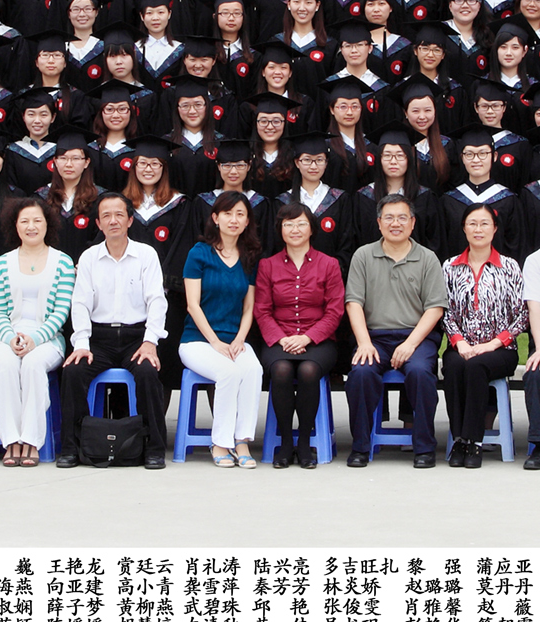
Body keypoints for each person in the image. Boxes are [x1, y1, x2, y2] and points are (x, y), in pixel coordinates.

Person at [56, 193, 173, 469]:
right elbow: (80, 303)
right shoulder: (89, 258)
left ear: (130, 220)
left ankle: (153, 449)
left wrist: (150, 341)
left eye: (119, 214)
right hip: (99, 339)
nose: (113, 221)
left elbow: (157, 301)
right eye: (106, 216)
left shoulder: (146, 255)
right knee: (73, 372)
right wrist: (81, 343)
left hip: (136, 338)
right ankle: (72, 448)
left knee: (148, 373)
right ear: (98, 223)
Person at [343, 195, 450, 469]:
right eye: (389, 218)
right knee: (361, 373)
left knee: (420, 373)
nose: (395, 223)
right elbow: (353, 302)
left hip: (417, 338)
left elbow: (435, 308)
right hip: (374, 338)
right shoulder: (363, 255)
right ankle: (360, 446)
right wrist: (363, 342)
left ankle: (424, 447)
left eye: (402, 218)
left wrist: (410, 344)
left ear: (412, 223)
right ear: (379, 223)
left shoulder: (427, 258)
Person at [253, 203, 345, 468]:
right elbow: (262, 310)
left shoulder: (329, 264)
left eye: (302, 223)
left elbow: (335, 311)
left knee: (308, 370)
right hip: (279, 339)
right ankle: (285, 443)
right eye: (289, 224)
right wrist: (282, 339)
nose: (295, 229)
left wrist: (307, 338)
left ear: (312, 229)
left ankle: (304, 442)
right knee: (281, 370)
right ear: (280, 230)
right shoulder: (267, 265)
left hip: (318, 341)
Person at [179, 194, 265, 468]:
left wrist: (240, 339)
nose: (233, 220)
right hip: (198, 340)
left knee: (253, 369)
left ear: (247, 221)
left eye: (240, 214)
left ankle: (242, 441)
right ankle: (220, 443)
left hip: (233, 339)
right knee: (229, 372)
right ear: (215, 218)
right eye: (227, 214)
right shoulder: (199, 253)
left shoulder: (249, 256)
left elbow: (249, 307)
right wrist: (215, 342)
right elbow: (192, 305)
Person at [0, 198, 74, 467]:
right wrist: (10, 337)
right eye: (24, 221)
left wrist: (35, 339)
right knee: (5, 365)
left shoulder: (63, 262)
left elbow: (61, 311)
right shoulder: (1, 263)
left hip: (48, 339)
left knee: (33, 364)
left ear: (48, 224)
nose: (31, 226)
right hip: (8, 336)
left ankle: (32, 441)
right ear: (15, 226)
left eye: (37, 220)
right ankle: (11, 440)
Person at [437, 205, 525, 469]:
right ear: (464, 228)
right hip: (461, 346)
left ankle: (473, 441)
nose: (478, 229)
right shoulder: (450, 266)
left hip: (501, 350)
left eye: (485, 224)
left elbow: (522, 314)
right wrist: (459, 342)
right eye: (472, 223)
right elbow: (443, 310)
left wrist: (494, 343)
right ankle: (459, 439)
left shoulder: (509, 267)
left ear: (494, 229)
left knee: (476, 367)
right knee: (453, 366)